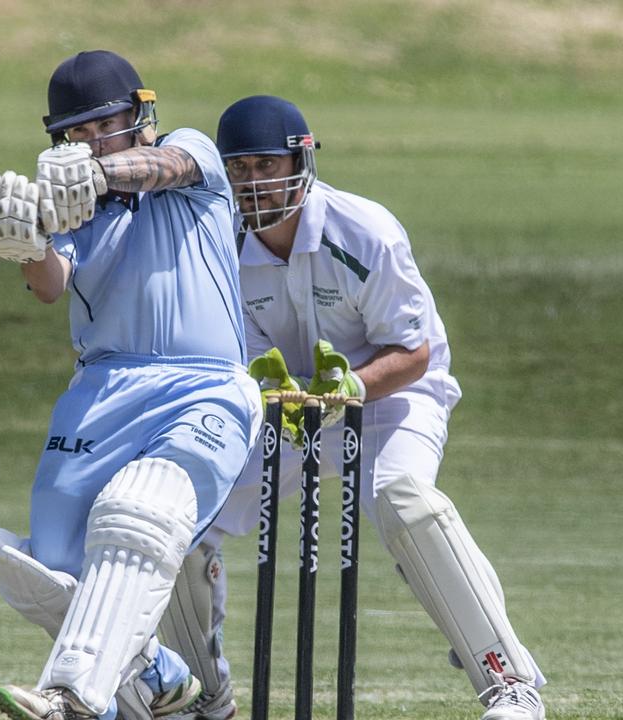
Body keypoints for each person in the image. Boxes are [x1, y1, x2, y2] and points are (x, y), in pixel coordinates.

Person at [159, 94, 546, 720]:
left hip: (391, 396)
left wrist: (351, 390)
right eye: (239, 170)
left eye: (265, 165)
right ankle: (203, 698)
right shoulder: (220, 244)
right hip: (284, 406)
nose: (253, 184)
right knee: (182, 517)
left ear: (301, 160)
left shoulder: (364, 231)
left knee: (405, 501)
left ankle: (509, 681)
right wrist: (276, 395)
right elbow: (233, 354)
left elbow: (414, 353)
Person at [0, 50, 262, 720]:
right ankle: (158, 671)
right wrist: (25, 239)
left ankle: (70, 693)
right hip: (101, 390)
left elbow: (164, 169)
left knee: (136, 517)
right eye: (75, 133)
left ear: (140, 115)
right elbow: (48, 287)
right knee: (43, 568)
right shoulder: (75, 213)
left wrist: (95, 171)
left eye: (105, 125)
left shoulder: (189, 154)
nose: (90, 141)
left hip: (202, 387)